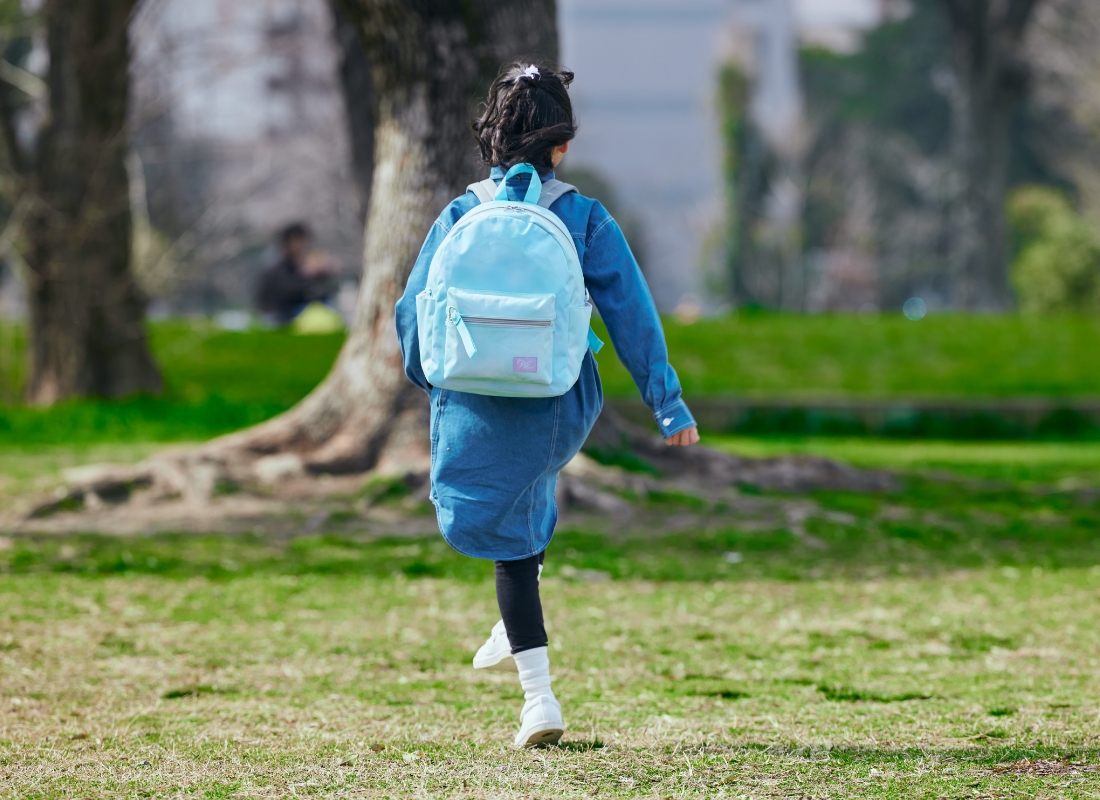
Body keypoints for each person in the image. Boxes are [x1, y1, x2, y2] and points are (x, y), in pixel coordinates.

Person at [394, 61, 700, 748]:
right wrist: (667, 401)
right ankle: (520, 613)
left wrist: (434, 379)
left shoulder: (461, 213)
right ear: (561, 146)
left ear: (492, 144)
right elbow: (632, 312)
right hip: (562, 396)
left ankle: (540, 701)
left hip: (474, 392)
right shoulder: (584, 217)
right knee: (529, 504)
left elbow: (412, 310)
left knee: (510, 537)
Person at [255, 222, 338, 325]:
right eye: (297, 241)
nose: (301, 246)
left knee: (328, 308)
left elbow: (321, 291)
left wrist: (323, 272)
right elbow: (286, 294)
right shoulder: (276, 265)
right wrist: (308, 275)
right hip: (279, 312)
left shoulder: (302, 262)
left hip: (298, 307)